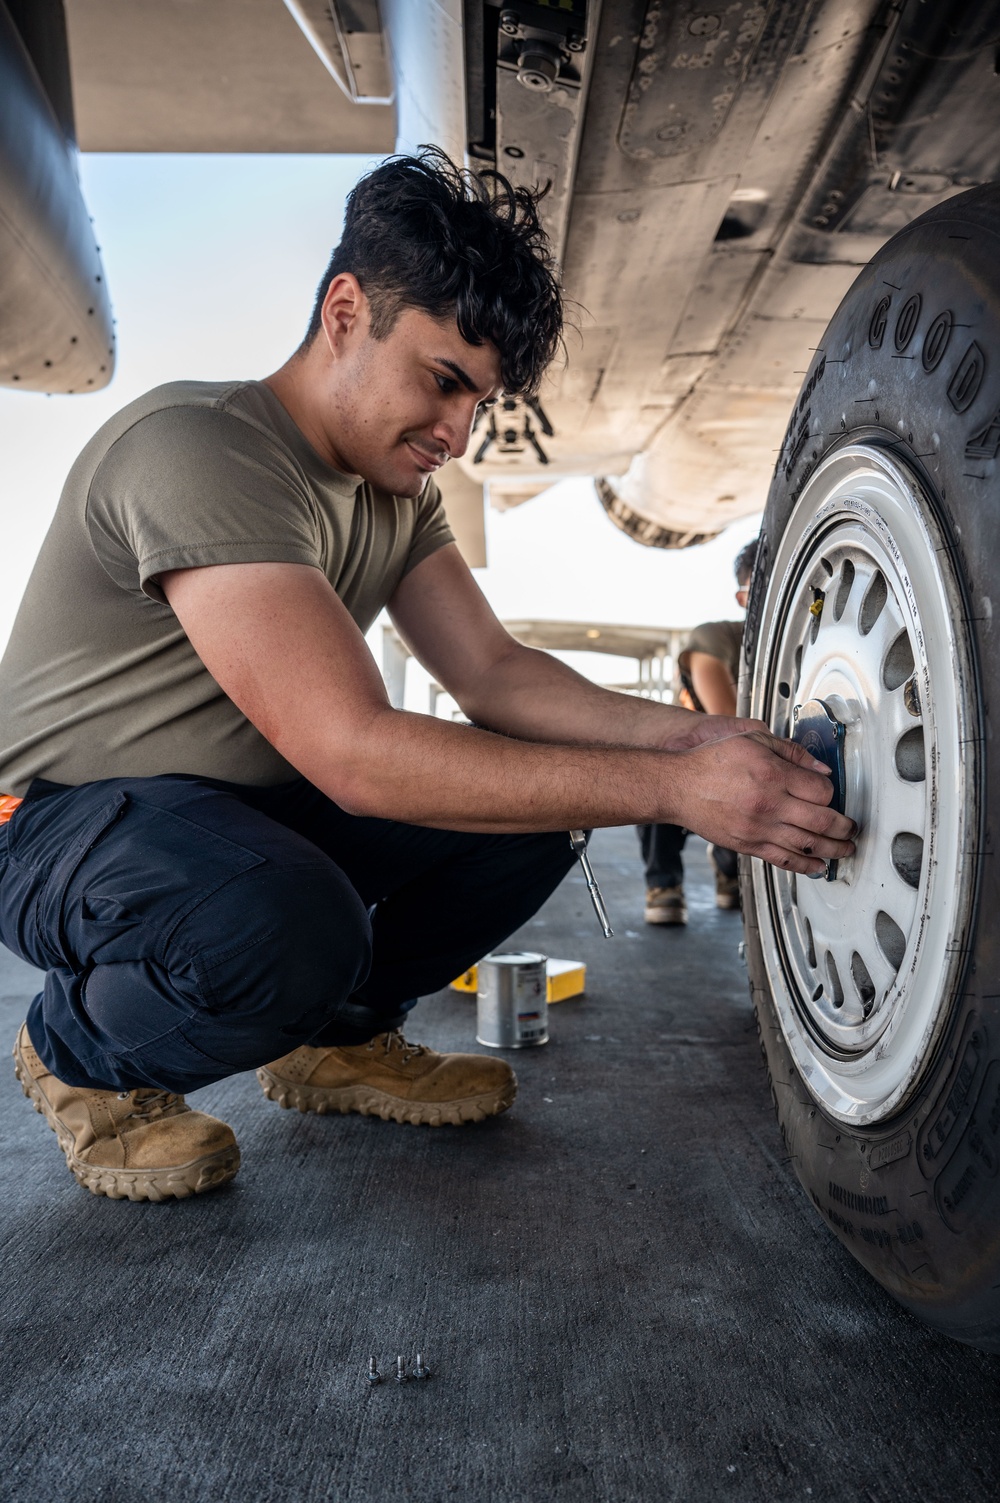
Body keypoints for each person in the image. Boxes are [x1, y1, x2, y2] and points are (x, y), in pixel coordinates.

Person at [0, 152, 853, 1203]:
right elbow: (355, 754)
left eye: (480, 402)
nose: (458, 433)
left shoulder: (395, 495)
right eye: (443, 381)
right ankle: (78, 1053)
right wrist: (674, 796)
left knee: (535, 805)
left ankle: (339, 1041)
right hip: (60, 829)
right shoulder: (200, 449)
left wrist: (690, 742)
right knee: (285, 921)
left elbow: (493, 674)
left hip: (241, 817)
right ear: (346, 310)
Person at [639, 538, 758, 925]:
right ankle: (664, 882)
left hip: (757, 751)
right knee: (656, 772)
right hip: (698, 752)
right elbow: (726, 722)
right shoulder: (716, 638)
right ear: (743, 599)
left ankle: (729, 868)